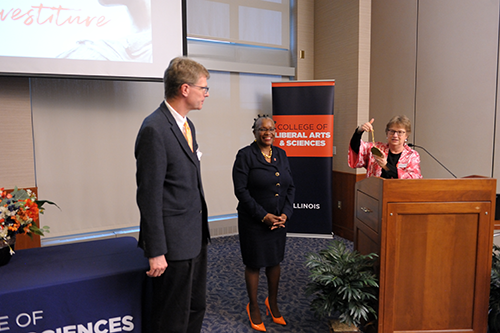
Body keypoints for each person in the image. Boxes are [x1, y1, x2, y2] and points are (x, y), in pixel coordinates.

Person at [135, 57, 210, 333]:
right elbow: (149, 195)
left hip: (194, 237)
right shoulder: (154, 129)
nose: (206, 94)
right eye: (204, 88)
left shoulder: (187, 125)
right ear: (185, 89)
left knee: (195, 308)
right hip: (172, 245)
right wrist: (156, 251)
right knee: (171, 318)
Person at [232, 115, 295, 332]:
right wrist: (263, 216)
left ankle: (273, 302)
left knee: (275, 261)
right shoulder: (245, 155)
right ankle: (254, 306)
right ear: (255, 132)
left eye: (271, 129)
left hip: (278, 219)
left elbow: (290, 187)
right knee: (254, 263)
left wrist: (286, 213)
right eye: (262, 129)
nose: (268, 132)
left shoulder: (281, 154)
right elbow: (241, 191)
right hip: (254, 220)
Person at [348, 115, 422, 179]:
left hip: (399, 194)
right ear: (387, 133)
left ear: (406, 136)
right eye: (392, 131)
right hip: (374, 192)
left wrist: (386, 165)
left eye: (400, 132)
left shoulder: (412, 155)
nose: (395, 135)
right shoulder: (377, 148)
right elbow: (356, 147)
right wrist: (359, 131)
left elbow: (413, 179)